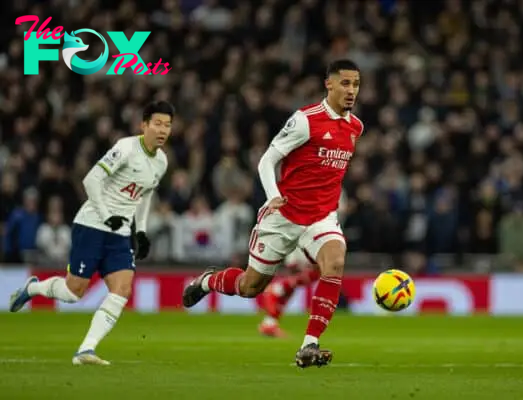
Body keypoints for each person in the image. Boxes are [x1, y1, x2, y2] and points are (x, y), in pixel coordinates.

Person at [183, 59, 363, 368]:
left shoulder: (355, 127)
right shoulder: (305, 120)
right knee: (251, 287)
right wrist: (274, 196)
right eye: (345, 83)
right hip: (284, 215)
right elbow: (267, 160)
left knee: (334, 262)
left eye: (356, 85)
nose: (351, 90)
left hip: (321, 218)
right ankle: (207, 281)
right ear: (329, 84)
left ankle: (309, 345)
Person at [8, 101, 173, 366]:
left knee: (122, 288)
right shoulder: (126, 148)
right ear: (144, 125)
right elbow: (90, 180)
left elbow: (145, 195)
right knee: (74, 292)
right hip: (92, 223)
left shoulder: (161, 162)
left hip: (119, 233)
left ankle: (86, 350)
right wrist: (107, 214)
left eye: (167, 125)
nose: (163, 130)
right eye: (158, 123)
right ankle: (34, 287)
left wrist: (140, 230)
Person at [258, 248, 320, 338]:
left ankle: (268, 325)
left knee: (281, 301)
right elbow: (292, 266)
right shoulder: (296, 248)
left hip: (298, 278)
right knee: (277, 297)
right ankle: (268, 326)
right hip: (296, 277)